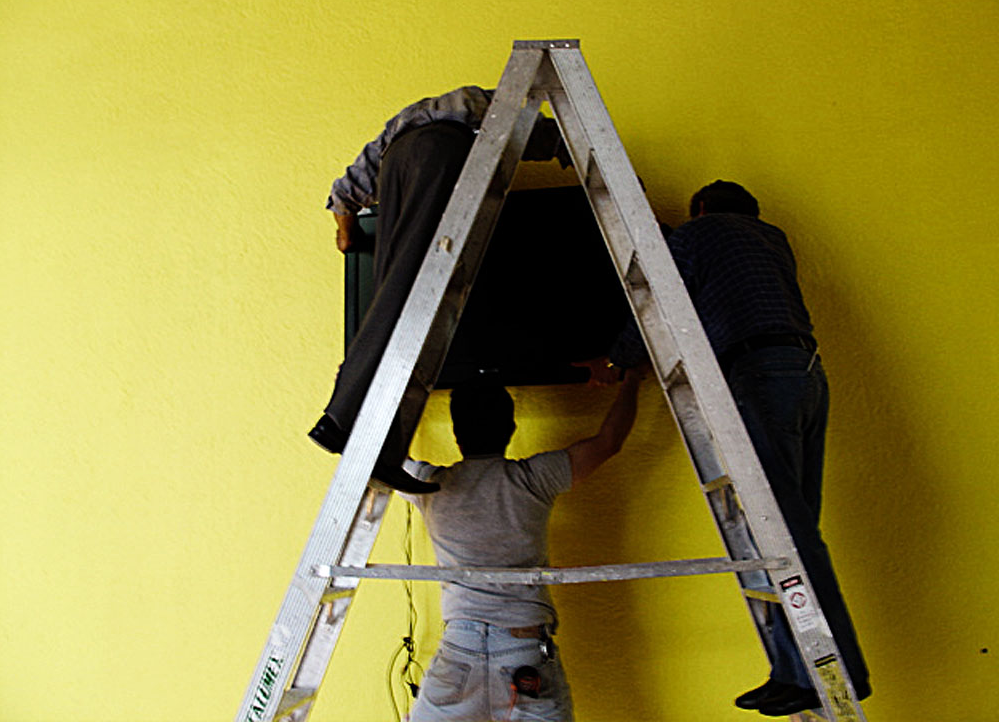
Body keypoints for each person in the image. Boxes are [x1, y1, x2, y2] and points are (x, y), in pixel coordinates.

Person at [594, 181, 870, 716]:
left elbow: (654, 297)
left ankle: (841, 672)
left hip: (761, 375)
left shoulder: (698, 235)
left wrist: (616, 362)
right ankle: (795, 670)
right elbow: (725, 278)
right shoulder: (772, 239)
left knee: (791, 538)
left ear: (699, 210)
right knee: (793, 534)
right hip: (808, 376)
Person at [307, 86, 568, 493]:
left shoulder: (396, 127)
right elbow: (523, 130)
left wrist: (349, 234)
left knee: (401, 307)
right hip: (439, 159)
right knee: (405, 299)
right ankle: (339, 419)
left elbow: (344, 197)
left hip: (396, 173)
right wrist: (569, 147)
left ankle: (383, 451)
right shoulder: (474, 102)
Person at [400, 370, 644, 721]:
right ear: (511, 428)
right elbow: (608, 442)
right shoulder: (533, 478)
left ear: (456, 435)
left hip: (459, 648)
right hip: (524, 650)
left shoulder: (431, 485)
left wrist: (386, 392)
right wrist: (632, 375)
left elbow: (381, 462)